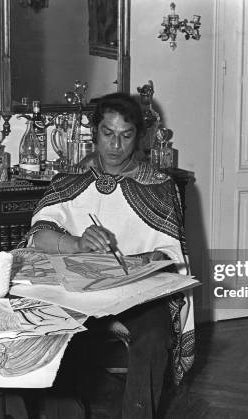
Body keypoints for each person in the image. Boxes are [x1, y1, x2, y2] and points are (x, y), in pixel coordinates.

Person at [22, 92, 194, 418]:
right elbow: (38, 236)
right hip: (74, 291)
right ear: (94, 131)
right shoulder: (70, 180)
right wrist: (76, 244)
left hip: (138, 295)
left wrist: (144, 261)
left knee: (155, 336)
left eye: (126, 135)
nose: (116, 145)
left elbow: (174, 256)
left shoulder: (158, 187)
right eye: (108, 133)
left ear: (139, 137)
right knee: (50, 327)